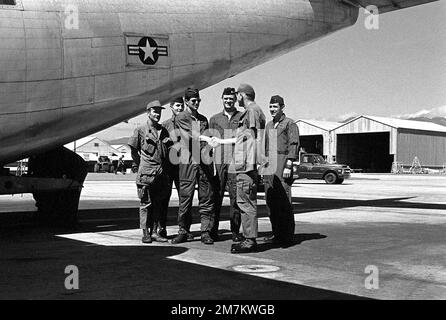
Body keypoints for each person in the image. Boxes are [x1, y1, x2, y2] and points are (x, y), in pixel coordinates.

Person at [211, 84, 266, 253]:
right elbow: (241, 138)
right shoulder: (252, 112)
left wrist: (258, 163)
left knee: (245, 204)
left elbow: (254, 139)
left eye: (237, 95)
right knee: (244, 202)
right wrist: (220, 142)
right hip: (244, 165)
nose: (236, 98)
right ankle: (249, 238)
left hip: (246, 167)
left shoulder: (251, 112)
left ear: (242, 95)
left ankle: (250, 240)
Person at [171, 88, 215, 245]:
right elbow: (189, 134)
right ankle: (183, 231)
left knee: (206, 197)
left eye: (198, 100)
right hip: (188, 161)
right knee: (185, 198)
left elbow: (207, 139)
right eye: (193, 101)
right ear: (186, 102)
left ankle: (205, 231)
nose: (196, 103)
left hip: (203, 162)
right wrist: (205, 139)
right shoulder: (181, 117)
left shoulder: (203, 119)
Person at [128, 100, 171, 244]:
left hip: (160, 173)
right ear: (148, 113)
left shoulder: (163, 130)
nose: (157, 114)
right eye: (154, 111)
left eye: (159, 111)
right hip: (146, 173)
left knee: (158, 204)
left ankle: (155, 232)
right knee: (146, 204)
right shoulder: (140, 130)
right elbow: (133, 150)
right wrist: (141, 164)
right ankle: (145, 233)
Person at [263, 95, 299, 245]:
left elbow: (293, 144)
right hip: (270, 166)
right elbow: (266, 148)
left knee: (284, 201)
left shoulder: (290, 124)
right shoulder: (269, 126)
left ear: (282, 107)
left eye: (275, 107)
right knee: (271, 201)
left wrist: (289, 164)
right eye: (270, 107)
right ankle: (276, 233)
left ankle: (287, 236)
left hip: (283, 163)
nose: (272, 110)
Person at [208, 87, 243, 242]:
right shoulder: (214, 119)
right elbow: (209, 142)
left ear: (235, 99)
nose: (228, 101)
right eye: (226, 98)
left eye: (231, 98)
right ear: (221, 99)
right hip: (219, 162)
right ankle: (212, 230)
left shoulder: (242, 116)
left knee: (236, 199)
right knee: (216, 197)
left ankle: (235, 231)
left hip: (236, 163)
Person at [160, 96, 185, 238]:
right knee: (164, 198)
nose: (179, 108)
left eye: (181, 106)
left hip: (183, 166)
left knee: (184, 199)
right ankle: (161, 228)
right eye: (177, 106)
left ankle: (183, 229)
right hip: (168, 167)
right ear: (171, 107)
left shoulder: (187, 123)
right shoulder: (165, 125)